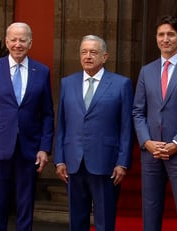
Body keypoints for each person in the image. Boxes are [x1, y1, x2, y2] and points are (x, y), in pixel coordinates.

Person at [0, 22, 54, 231]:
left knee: (25, 204)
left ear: (30, 43)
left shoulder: (42, 71)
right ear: (7, 41)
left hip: (29, 149)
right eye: (14, 39)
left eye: (23, 40)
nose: (18, 44)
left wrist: (44, 148)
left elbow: (47, 114)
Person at [132, 15, 177, 231]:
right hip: (152, 153)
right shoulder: (147, 71)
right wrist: (147, 142)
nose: (165, 39)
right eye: (161, 34)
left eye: (170, 34)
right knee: (150, 215)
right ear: (156, 38)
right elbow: (138, 111)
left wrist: (176, 143)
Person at [54, 35, 133, 231]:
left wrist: (122, 162)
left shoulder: (121, 84)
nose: (88, 56)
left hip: (105, 162)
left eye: (93, 52)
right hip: (73, 162)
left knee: (104, 220)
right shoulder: (67, 83)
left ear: (105, 56)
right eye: (84, 52)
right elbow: (62, 124)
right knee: (76, 219)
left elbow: (126, 127)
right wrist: (59, 159)